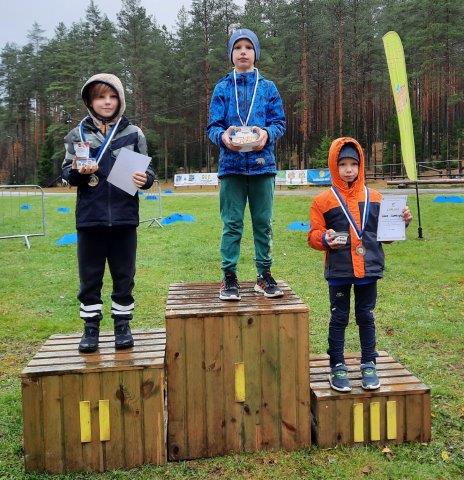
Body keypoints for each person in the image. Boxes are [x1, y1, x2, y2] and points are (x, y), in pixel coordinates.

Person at [308, 137, 412, 392]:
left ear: (361, 165)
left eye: (353, 164)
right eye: (342, 164)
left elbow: (385, 236)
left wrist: (402, 222)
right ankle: (337, 365)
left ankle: (369, 363)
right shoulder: (323, 201)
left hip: (368, 269)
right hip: (340, 270)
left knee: (366, 316)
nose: (348, 169)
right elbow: (313, 235)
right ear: (334, 166)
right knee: (339, 316)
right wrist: (324, 238)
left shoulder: (376, 197)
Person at [62, 73, 154, 353]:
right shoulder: (77, 134)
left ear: (120, 100)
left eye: (113, 96)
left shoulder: (133, 133)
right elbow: (66, 173)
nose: (107, 102)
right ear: (90, 101)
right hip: (90, 219)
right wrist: (79, 172)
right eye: (100, 96)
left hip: (125, 218)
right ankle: (90, 329)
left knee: (124, 276)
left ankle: (122, 326)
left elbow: (148, 171)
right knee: (90, 277)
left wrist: (146, 180)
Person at [207, 28, 286, 301]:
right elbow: (212, 127)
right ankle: (229, 277)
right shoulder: (222, 88)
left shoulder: (268, 87)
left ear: (255, 53)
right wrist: (223, 137)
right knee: (232, 224)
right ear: (231, 54)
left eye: (248, 47)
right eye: (238, 47)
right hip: (231, 167)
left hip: (263, 165)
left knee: (263, 223)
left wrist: (267, 134)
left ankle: (264, 276)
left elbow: (279, 123)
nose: (243, 52)